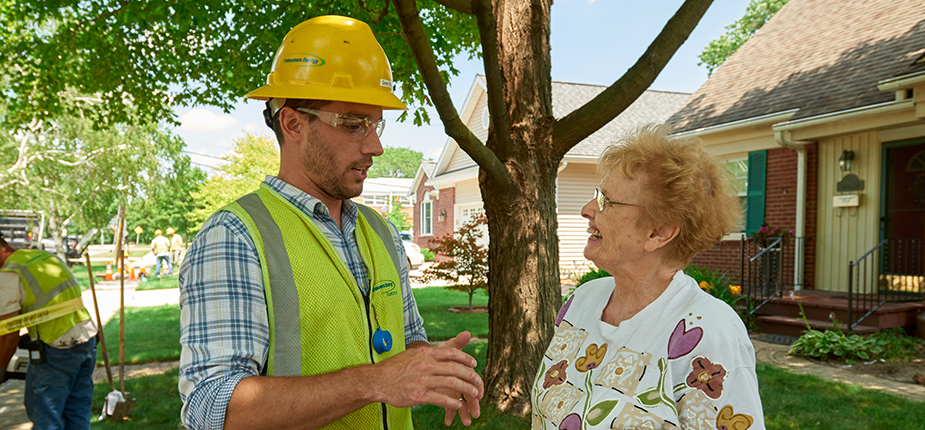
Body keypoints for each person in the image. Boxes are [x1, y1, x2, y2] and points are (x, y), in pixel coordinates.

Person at [178, 15, 483, 430]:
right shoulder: (235, 237)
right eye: (354, 124)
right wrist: (375, 382)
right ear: (293, 123)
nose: (375, 146)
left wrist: (438, 368)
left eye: (376, 124)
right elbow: (212, 408)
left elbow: (408, 342)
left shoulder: (381, 231)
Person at [531, 125, 764, 429]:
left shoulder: (709, 331)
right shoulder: (582, 301)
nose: (587, 209)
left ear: (659, 232)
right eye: (595, 196)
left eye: (606, 201)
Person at [0, 233, 98, 429]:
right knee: (77, 413)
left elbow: (8, 334)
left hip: (56, 349)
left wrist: (1, 368)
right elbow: (52, 303)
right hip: (86, 340)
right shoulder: (43, 257)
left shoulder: (9, 274)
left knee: (45, 416)